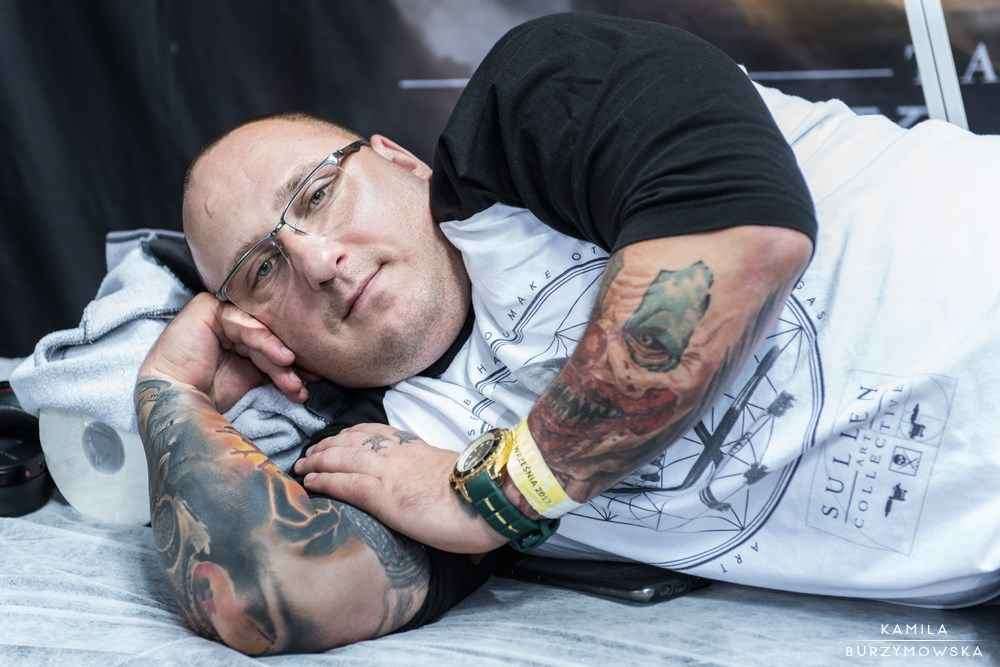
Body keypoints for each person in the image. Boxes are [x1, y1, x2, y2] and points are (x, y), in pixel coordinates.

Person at [136, 12, 1000, 656]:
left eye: (319, 195)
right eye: (262, 270)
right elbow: (269, 594)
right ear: (257, 330)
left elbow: (738, 243)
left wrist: (494, 493)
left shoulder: (527, 109)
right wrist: (168, 390)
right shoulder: (394, 450)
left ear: (398, 158)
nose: (318, 259)